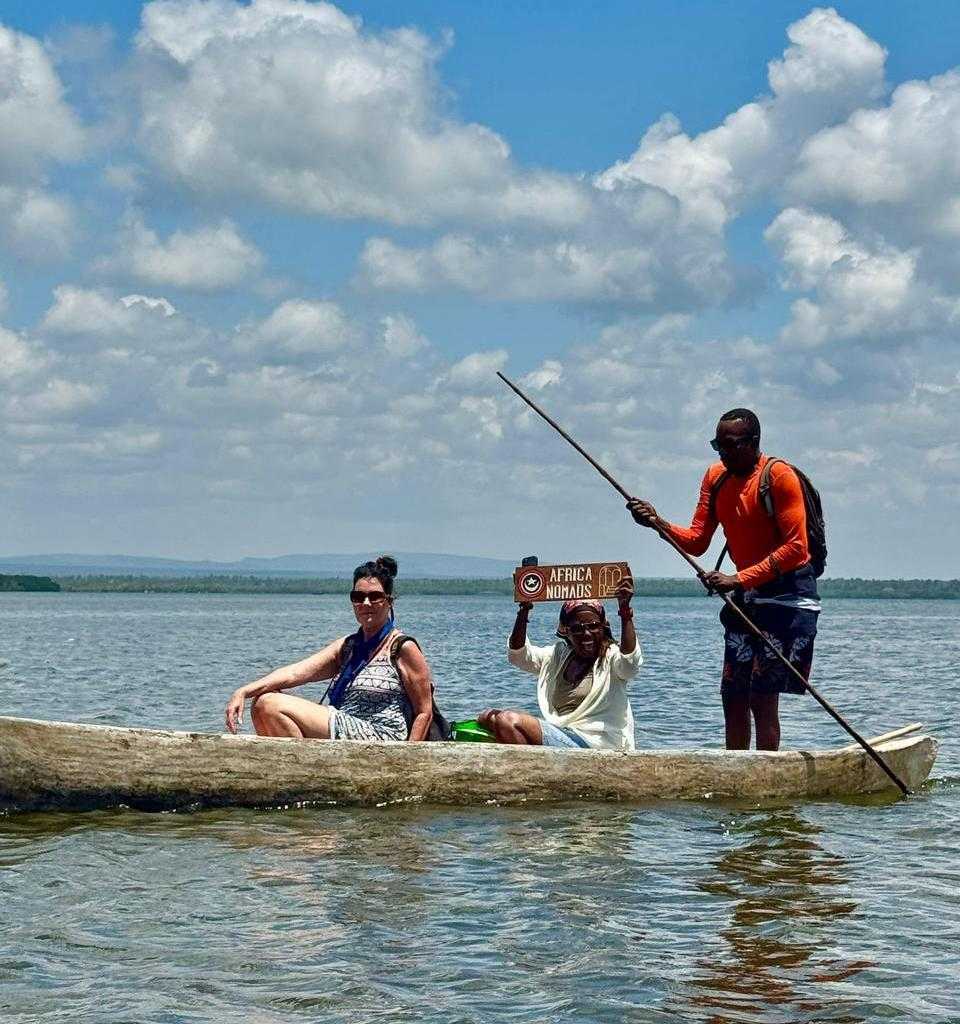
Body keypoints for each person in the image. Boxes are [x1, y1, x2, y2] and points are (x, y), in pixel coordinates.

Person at [626, 408, 820, 751]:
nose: (723, 454)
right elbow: (698, 541)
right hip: (745, 597)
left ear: (753, 443)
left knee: (762, 697)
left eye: (730, 446)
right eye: (718, 445)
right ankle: (735, 771)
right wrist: (657, 523)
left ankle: (766, 773)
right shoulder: (716, 478)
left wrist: (737, 579)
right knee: (733, 694)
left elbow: (797, 548)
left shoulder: (779, 477)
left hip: (786, 598)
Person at [224, 555, 434, 741]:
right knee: (263, 699)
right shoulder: (348, 646)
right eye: (358, 597)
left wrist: (406, 758)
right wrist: (243, 691)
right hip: (345, 728)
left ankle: (303, 772)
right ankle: (304, 773)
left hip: (381, 737)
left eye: (375, 596)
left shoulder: (402, 647)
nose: (366, 603)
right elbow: (295, 673)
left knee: (268, 704)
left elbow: (424, 711)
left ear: (389, 601)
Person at [478, 577, 641, 750]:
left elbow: (630, 664)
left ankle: (535, 772)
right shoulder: (558, 655)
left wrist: (625, 610)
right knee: (488, 717)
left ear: (603, 627)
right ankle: (538, 770)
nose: (586, 633)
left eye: (593, 626)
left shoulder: (611, 657)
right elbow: (518, 656)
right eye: (577, 629)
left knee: (507, 720)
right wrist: (524, 608)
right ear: (565, 631)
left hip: (598, 744)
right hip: (565, 735)